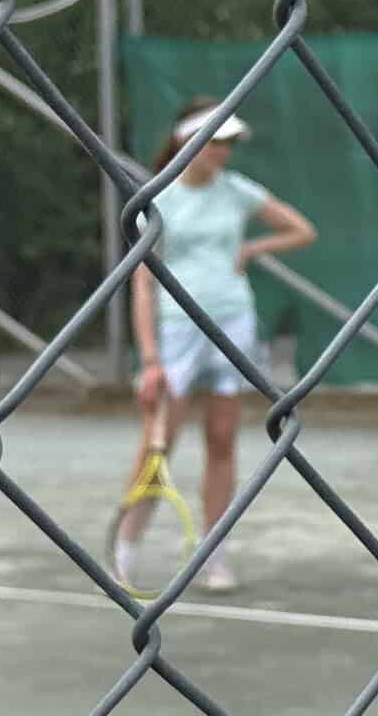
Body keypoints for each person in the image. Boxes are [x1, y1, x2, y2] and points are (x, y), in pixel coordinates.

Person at [113, 98, 316, 594]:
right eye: (215, 142)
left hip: (233, 325)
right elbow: (141, 283)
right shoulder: (157, 201)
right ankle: (123, 553)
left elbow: (301, 229)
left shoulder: (237, 193)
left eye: (228, 143)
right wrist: (151, 358)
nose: (223, 152)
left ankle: (214, 556)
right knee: (157, 444)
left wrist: (251, 248)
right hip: (176, 330)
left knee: (222, 440)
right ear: (189, 141)